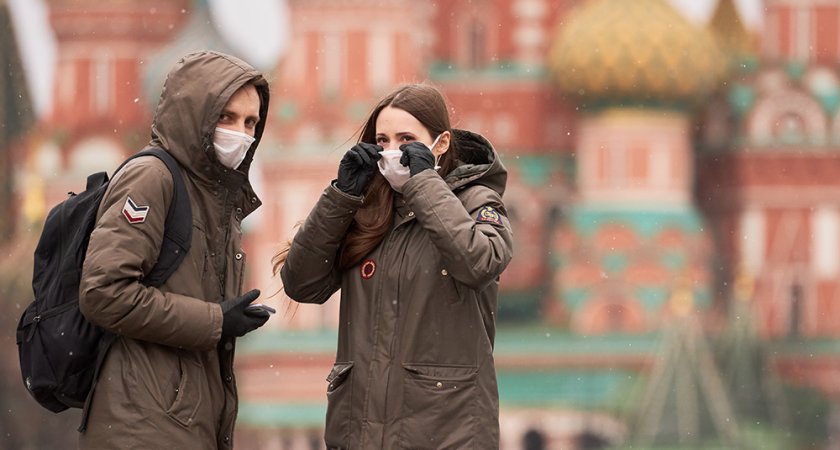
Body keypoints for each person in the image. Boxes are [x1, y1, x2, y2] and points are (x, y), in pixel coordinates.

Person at [275, 83, 513, 449]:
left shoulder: (477, 201)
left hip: (446, 431)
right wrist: (342, 194)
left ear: (441, 143)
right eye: (382, 140)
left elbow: (480, 262)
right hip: (361, 429)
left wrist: (424, 183)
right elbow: (302, 283)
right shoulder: (369, 212)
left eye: (406, 139)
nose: (392, 151)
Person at [78, 51, 271, 449]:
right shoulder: (153, 177)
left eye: (251, 122)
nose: (242, 133)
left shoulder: (217, 197)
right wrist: (216, 321)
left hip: (182, 420)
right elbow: (103, 292)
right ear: (195, 113)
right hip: (142, 424)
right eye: (227, 117)